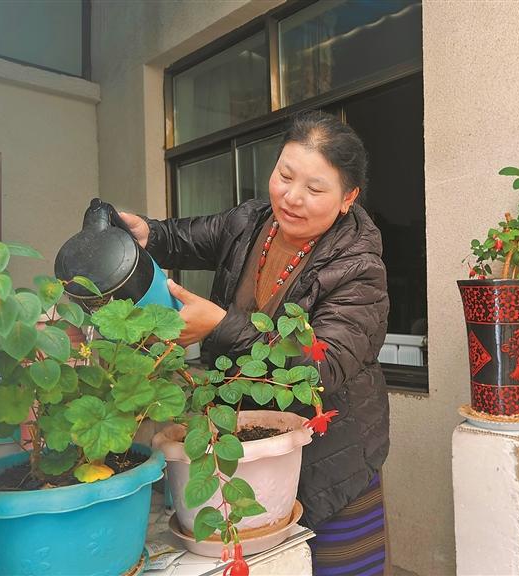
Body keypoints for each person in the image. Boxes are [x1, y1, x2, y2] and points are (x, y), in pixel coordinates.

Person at [119, 110, 390, 575]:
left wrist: (219, 325)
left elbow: (320, 369)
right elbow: (187, 237)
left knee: (340, 567)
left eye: (315, 189)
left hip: (332, 457)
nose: (292, 197)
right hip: (252, 446)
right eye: (284, 175)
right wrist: (149, 233)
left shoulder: (359, 267)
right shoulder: (251, 222)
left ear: (348, 198)